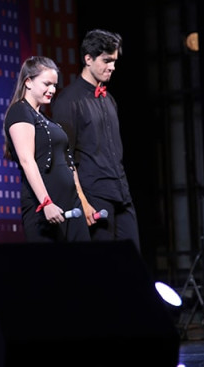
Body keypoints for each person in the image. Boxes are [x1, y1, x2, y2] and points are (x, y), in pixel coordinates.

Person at [50, 28, 140, 249]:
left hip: (121, 191)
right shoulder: (68, 100)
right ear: (88, 59)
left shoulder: (109, 99)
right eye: (107, 60)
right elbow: (65, 156)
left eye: (114, 61)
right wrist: (82, 200)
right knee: (104, 261)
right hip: (94, 193)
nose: (112, 67)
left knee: (132, 258)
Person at [3, 56, 92, 243]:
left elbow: (68, 163)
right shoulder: (20, 111)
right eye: (47, 84)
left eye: (54, 85)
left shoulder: (45, 118)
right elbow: (27, 160)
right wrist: (46, 202)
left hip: (71, 203)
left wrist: (82, 200)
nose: (52, 90)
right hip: (45, 205)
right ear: (28, 82)